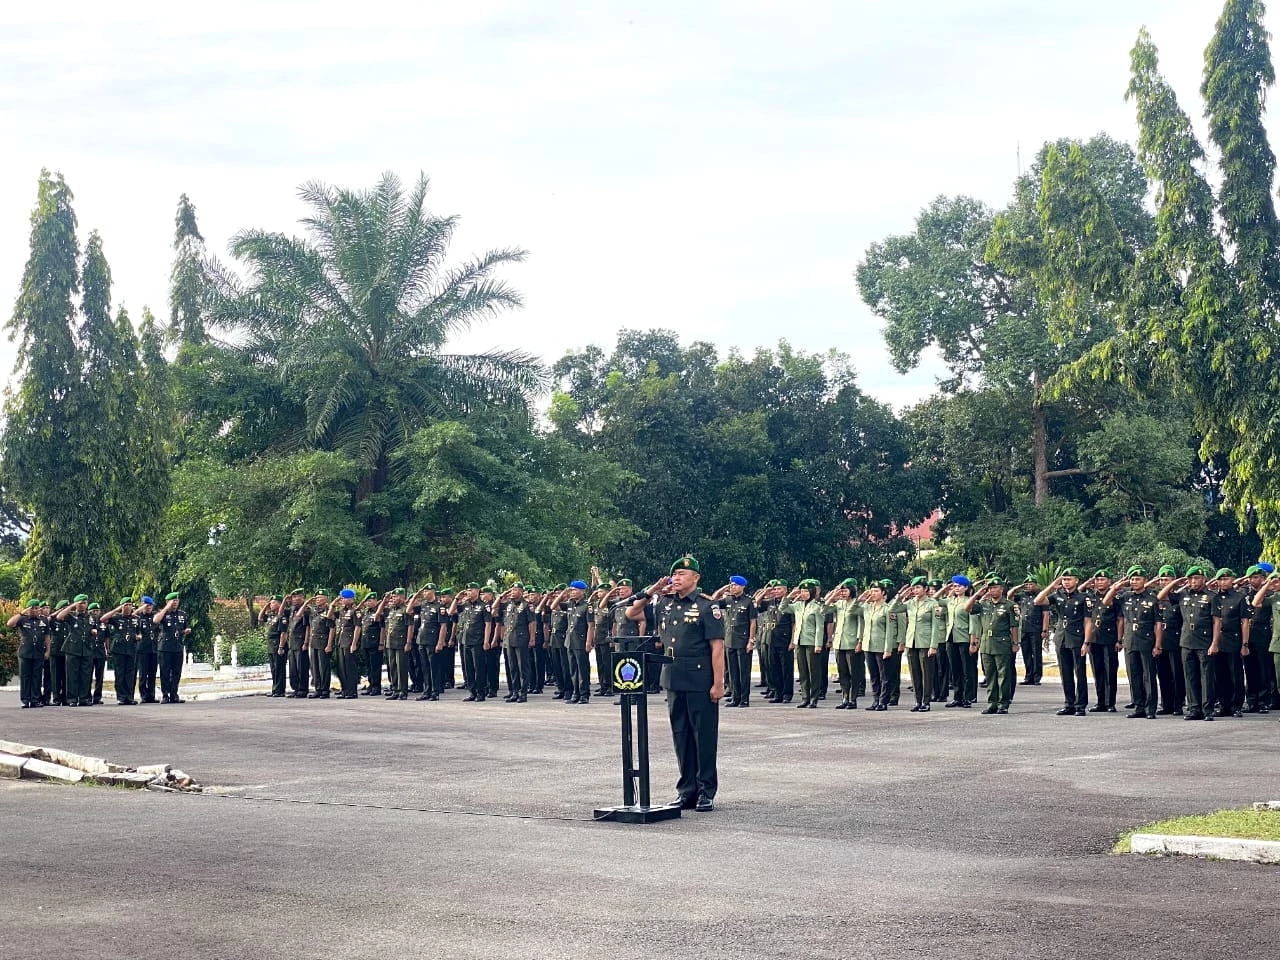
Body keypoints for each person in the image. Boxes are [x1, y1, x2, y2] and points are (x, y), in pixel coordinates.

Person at [628, 555, 725, 812]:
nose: (677, 578)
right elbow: (631, 612)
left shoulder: (707, 607)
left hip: (700, 681)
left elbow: (717, 648)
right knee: (681, 737)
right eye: (675, 574)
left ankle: (706, 790)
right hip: (673, 679)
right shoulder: (665, 603)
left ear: (696, 578)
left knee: (703, 737)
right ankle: (687, 791)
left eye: (683, 574)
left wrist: (718, 684)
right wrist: (651, 591)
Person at [1157, 566, 1216, 721]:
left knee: (1206, 677)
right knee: (1190, 677)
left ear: (1204, 579)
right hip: (1186, 641)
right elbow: (1161, 595)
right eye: (1191, 579)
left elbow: (1216, 622)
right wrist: (1176, 582)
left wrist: (1215, 643)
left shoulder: (1211, 596)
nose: (1193, 581)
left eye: (1197, 578)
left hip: (1204, 641)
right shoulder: (1182, 594)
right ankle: (1194, 708)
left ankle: (1207, 709)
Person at [1103, 566, 1161, 719]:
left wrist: (1157, 645)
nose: (1134, 581)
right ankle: (1139, 707)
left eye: (1138, 579)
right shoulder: (1125, 596)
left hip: (1147, 641)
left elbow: (1158, 624)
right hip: (1130, 641)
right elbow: (1106, 601)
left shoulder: (1152, 598)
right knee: (1133, 675)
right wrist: (1115, 588)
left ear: (1144, 580)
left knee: (1148, 676)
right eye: (1132, 579)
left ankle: (1150, 708)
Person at [1036, 570, 1089, 716]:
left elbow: (1087, 621)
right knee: (1065, 673)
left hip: (1077, 638)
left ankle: (1080, 705)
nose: (1066, 582)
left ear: (1076, 580)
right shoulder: (1058, 595)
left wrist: (1087, 642)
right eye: (1064, 579)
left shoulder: (1083, 597)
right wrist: (1052, 586)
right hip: (1061, 637)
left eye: (1069, 579)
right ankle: (1069, 704)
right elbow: (1038, 600)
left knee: (1080, 672)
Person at [965, 577, 1018, 714]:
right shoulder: (984, 604)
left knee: (1003, 675)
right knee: (990, 675)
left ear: (1001, 589)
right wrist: (977, 595)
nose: (992, 590)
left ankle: (1003, 703)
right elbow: (967, 608)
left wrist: (1015, 643)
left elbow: (1014, 626)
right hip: (986, 644)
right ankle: (992, 703)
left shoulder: (1009, 605)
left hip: (1002, 643)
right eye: (990, 588)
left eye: (995, 588)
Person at [1210, 567, 1250, 718]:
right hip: (1218, 640)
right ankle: (1224, 704)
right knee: (1220, 675)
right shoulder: (1215, 598)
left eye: (1226, 579)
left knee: (1236, 674)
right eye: (1220, 579)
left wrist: (1244, 644)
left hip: (1233, 640)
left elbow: (1245, 622)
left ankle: (1236, 705)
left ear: (1232, 580)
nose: (1223, 582)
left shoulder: (1239, 597)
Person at [711, 576, 756, 708]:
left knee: (743, 672)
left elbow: (753, 622)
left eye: (735, 585)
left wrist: (751, 641)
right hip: (730, 640)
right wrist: (722, 589)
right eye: (731, 585)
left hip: (743, 640)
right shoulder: (728, 599)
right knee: (732, 671)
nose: (732, 587)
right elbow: (713, 601)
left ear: (743, 586)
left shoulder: (749, 602)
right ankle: (735, 698)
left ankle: (744, 699)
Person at [783, 579, 829, 709]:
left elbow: (820, 627)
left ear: (812, 592)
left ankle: (814, 698)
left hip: (811, 642)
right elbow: (783, 607)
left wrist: (818, 644)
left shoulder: (818, 606)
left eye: (806, 591)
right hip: (799, 641)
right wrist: (790, 596)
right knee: (802, 672)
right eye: (802, 591)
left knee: (813, 671)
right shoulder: (798, 605)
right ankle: (805, 697)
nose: (804, 593)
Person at [1082, 571, 1119, 713]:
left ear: (1109, 581)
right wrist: (1087, 583)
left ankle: (1111, 703)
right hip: (1094, 638)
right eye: (1097, 580)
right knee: (1098, 671)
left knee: (1110, 671)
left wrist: (1119, 640)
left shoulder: (1116, 597)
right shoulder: (1089, 597)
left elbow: (1119, 620)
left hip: (1110, 638)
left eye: (1102, 579)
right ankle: (1100, 702)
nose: (1099, 582)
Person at [901, 576, 940, 712]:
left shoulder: (933, 604)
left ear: (925, 589)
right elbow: (892, 609)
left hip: (925, 642)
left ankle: (926, 701)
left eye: (918, 587)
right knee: (915, 674)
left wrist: (933, 645)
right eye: (913, 588)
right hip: (911, 642)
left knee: (927, 675)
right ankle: (918, 701)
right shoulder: (910, 603)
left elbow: (936, 626)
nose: (915, 590)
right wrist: (902, 596)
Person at [1153, 566, 1186, 715]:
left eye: (1167, 579)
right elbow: (1160, 597)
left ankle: (1178, 704)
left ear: (1174, 581)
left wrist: (1174, 586)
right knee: (1163, 674)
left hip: (1175, 641)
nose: (1164, 582)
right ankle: (1166, 704)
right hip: (1161, 642)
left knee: (1177, 675)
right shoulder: (1156, 597)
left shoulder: (1179, 597)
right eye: (1162, 579)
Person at [495, 583, 536, 703]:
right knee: (512, 667)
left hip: (521, 639)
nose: (512, 592)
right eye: (511, 590)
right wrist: (502, 595)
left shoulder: (527, 605)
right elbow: (494, 608)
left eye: (515, 590)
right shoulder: (508, 604)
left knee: (522, 667)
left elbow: (532, 623)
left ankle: (523, 693)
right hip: (509, 639)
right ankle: (514, 691)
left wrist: (532, 638)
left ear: (522, 592)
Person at [827, 579, 864, 710]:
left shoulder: (858, 604)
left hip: (852, 642)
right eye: (841, 590)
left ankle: (853, 699)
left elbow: (861, 623)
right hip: (839, 642)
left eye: (845, 590)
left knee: (853, 673)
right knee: (842, 673)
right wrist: (833, 595)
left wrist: (860, 642)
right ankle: (845, 697)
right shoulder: (839, 604)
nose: (842, 593)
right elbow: (823, 609)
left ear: (852, 591)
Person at [451, 584, 490, 702]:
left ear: (477, 591)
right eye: (467, 590)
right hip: (465, 641)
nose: (468, 592)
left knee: (479, 668)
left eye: (470, 590)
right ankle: (472, 691)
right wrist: (457, 598)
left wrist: (486, 641)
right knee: (469, 668)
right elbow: (451, 611)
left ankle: (480, 692)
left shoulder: (484, 606)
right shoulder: (465, 605)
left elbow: (488, 624)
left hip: (478, 641)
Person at [9, 599, 49, 708]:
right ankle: (26, 700)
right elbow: (10, 623)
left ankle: (35, 700)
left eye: (36, 608)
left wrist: (48, 651)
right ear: (28, 609)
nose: (34, 610)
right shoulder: (23, 619)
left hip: (38, 652)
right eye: (32, 608)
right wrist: (23, 612)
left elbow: (47, 637)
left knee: (37, 676)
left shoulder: (44, 620)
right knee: (25, 676)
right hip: (25, 652)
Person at [57, 594, 94, 707]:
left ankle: (83, 698)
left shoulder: (90, 617)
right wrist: (72, 606)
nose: (83, 605)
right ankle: (72, 698)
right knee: (72, 675)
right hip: (73, 648)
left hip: (86, 648)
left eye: (84, 602)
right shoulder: (71, 616)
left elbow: (92, 627)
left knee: (85, 675)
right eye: (80, 603)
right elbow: (59, 617)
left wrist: (93, 631)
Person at [561, 580, 595, 704]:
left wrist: (588, 642)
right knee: (573, 669)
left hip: (581, 641)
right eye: (571, 590)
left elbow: (591, 625)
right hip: (570, 641)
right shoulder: (570, 604)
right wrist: (564, 592)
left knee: (582, 669)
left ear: (582, 591)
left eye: (575, 590)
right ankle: (576, 693)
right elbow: (554, 605)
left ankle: (584, 694)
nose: (572, 592)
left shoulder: (587, 606)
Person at [101, 598, 139, 705]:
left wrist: (138, 636)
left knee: (130, 674)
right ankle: (121, 697)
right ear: (122, 606)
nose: (128, 607)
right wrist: (117, 609)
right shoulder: (117, 618)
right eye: (126, 605)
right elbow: (103, 619)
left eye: (130, 605)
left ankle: (129, 697)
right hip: (119, 649)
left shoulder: (135, 619)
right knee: (120, 673)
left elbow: (139, 632)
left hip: (131, 648)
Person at [154, 592, 191, 703]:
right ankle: (165, 695)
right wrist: (166, 608)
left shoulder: (182, 614)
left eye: (176, 600)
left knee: (176, 672)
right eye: (172, 600)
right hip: (165, 647)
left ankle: (174, 694)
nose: (175, 602)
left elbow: (185, 627)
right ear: (167, 602)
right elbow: (155, 620)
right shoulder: (163, 613)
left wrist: (186, 631)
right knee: (165, 672)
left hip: (177, 646)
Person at [945, 577, 976, 709]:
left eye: (959, 586)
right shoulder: (950, 601)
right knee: (955, 669)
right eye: (955, 586)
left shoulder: (969, 602)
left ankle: (968, 697)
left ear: (966, 588)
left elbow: (973, 622)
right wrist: (946, 589)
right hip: (951, 638)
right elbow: (934, 599)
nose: (956, 588)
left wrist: (973, 641)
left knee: (967, 670)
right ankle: (957, 697)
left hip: (964, 638)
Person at [1010, 576, 1045, 685]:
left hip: (1036, 629)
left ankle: (1036, 677)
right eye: (1027, 584)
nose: (1029, 586)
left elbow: (1046, 614)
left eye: (1031, 584)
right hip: (1024, 628)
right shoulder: (1021, 596)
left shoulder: (1040, 596)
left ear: (1036, 585)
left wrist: (1045, 630)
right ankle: (1028, 676)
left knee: (1036, 654)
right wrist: (1019, 587)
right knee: (1026, 653)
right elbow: (1009, 595)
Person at [283, 589, 312, 698]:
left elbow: (308, 628)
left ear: (302, 597)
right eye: (293, 597)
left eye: (297, 597)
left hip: (300, 641)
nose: (294, 599)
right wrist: (285, 601)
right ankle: (295, 688)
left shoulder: (306, 610)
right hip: (292, 642)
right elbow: (281, 613)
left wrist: (306, 642)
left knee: (302, 666)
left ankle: (303, 689)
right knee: (293, 667)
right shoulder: (292, 610)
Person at [333, 589, 362, 699]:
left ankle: (352, 691)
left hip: (349, 642)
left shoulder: (355, 611)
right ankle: (345, 690)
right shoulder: (341, 611)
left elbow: (357, 627)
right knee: (342, 668)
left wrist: (354, 643)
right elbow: (329, 616)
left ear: (350, 599)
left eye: (343, 598)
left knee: (350, 668)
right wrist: (333, 605)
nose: (341, 600)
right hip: (341, 642)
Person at [259, 595, 289, 697]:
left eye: (273, 602)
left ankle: (280, 690)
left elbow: (283, 633)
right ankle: (275, 689)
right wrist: (266, 606)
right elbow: (260, 618)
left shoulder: (282, 616)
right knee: (273, 668)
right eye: (271, 603)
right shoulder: (271, 616)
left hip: (278, 643)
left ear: (279, 604)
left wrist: (281, 646)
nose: (271, 604)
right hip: (271, 644)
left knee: (279, 668)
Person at [308, 589, 335, 699]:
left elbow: (332, 629)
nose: (317, 600)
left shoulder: (329, 611)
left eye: (320, 598)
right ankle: (318, 689)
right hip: (314, 642)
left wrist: (329, 645)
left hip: (324, 642)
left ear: (326, 599)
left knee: (323, 667)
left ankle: (325, 689)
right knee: (315, 667)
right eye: (316, 598)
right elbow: (310, 627)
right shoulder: (314, 611)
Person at [135, 597, 160, 703]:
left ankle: (151, 695)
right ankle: (144, 696)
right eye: (147, 605)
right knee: (143, 674)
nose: (149, 607)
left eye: (150, 605)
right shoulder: (138, 617)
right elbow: (132, 615)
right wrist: (141, 608)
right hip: (142, 649)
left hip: (153, 649)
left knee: (152, 674)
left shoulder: (155, 617)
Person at [359, 591, 384, 696]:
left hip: (375, 643)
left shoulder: (379, 613)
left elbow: (383, 628)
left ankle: (376, 687)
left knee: (375, 667)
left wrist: (381, 643)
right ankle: (370, 685)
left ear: (375, 601)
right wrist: (362, 603)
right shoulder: (365, 613)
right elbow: (356, 611)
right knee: (368, 666)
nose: (367, 603)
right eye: (366, 601)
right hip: (366, 643)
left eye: (370, 601)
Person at [87, 602, 107, 704]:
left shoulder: (102, 623)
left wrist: (107, 650)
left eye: (97, 611)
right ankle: (87, 696)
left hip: (100, 652)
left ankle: (97, 697)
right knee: (88, 675)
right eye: (93, 611)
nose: (96, 613)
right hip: (89, 652)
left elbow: (106, 638)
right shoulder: (87, 622)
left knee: (99, 676)